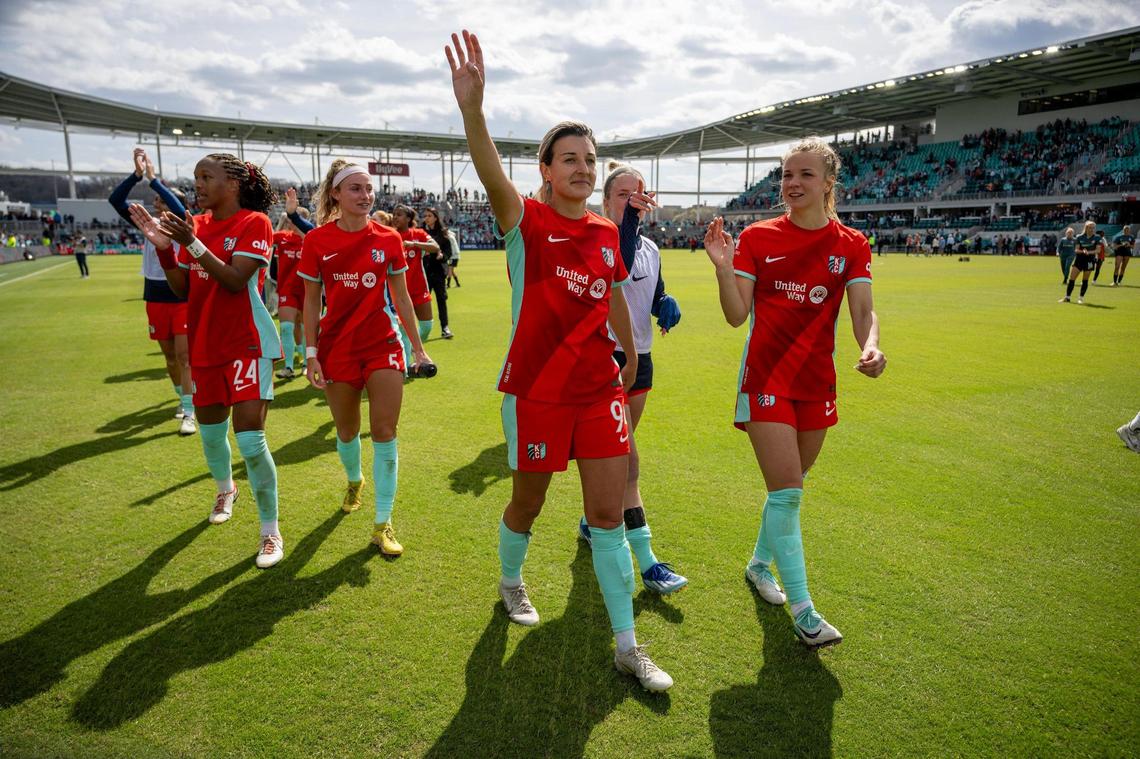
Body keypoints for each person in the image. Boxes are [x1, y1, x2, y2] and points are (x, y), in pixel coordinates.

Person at [446, 29, 672, 691]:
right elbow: (489, 170)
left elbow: (605, 300)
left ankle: (628, 644)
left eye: (589, 158)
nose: (581, 167)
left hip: (597, 387)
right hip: (536, 391)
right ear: (545, 169)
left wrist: (629, 351)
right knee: (528, 503)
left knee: (607, 515)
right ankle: (511, 580)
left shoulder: (606, 234)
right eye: (567, 158)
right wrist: (473, 112)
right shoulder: (525, 220)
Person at [704, 136, 886, 648]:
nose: (792, 184)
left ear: (829, 182)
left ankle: (760, 565)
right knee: (787, 492)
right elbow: (737, 314)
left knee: (792, 487)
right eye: (786, 174)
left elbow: (863, 312)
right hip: (765, 379)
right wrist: (723, 268)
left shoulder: (851, 244)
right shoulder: (760, 238)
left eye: (804, 175)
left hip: (815, 383)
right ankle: (805, 611)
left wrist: (872, 346)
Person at [128, 152, 285, 569]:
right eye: (196, 177)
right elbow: (182, 289)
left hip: (247, 342)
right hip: (206, 347)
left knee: (251, 440)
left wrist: (190, 243)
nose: (197, 184)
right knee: (213, 436)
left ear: (232, 184)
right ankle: (225, 488)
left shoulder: (255, 223)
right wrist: (165, 250)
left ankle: (270, 531)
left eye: (205, 176)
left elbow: (235, 281)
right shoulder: (193, 226)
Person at [298, 160, 433, 555]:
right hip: (336, 350)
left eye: (368, 188)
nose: (365, 195)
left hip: (382, 345)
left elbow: (402, 298)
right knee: (345, 432)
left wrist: (418, 348)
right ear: (336, 194)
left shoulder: (389, 238)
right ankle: (354, 479)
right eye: (355, 188)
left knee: (385, 433)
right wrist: (310, 354)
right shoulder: (317, 242)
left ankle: (382, 523)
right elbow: (310, 303)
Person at [576, 161, 685, 595]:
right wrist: (629, 222)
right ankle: (648, 561)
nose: (633, 201)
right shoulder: (596, 240)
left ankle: (590, 521)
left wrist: (665, 303)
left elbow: (650, 291)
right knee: (627, 463)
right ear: (605, 202)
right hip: (606, 359)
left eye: (639, 194)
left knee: (614, 459)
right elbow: (614, 265)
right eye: (623, 195)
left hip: (642, 358)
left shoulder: (652, 249)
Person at [109, 148, 197, 435]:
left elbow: (176, 205)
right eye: (157, 199)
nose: (158, 203)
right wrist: (136, 175)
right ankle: (182, 399)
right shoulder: (149, 223)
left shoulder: (187, 224)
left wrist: (153, 179)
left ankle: (189, 411)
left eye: (162, 199)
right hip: (155, 296)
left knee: (185, 357)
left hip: (181, 294)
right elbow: (116, 200)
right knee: (170, 358)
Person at [274, 189, 310, 379]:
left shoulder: (310, 240)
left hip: (307, 290)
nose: (291, 222)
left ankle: (305, 361)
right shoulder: (282, 238)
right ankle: (288, 367)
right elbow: (265, 237)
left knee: (304, 327)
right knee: (287, 327)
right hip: (287, 288)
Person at [391, 205, 440, 347]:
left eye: (399, 214)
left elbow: (435, 247)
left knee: (426, 326)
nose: (395, 217)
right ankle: (406, 365)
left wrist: (414, 244)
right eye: (394, 214)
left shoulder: (418, 234)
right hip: (398, 293)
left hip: (419, 289)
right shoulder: (390, 236)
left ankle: (414, 351)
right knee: (404, 331)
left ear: (408, 218)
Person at [420, 208, 454, 338]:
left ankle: (445, 327)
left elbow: (448, 253)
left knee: (441, 300)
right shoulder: (421, 233)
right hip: (423, 272)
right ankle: (420, 330)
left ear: (435, 218)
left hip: (438, 272)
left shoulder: (443, 234)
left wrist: (443, 257)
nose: (426, 218)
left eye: (429, 215)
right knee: (421, 302)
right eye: (425, 215)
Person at [1061, 220, 1099, 304]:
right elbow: (1076, 249)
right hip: (1079, 259)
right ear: (1086, 228)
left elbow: (1098, 250)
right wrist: (1082, 251)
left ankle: (1081, 298)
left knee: (1085, 280)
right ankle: (1067, 297)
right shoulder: (1079, 237)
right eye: (1090, 228)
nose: (1092, 229)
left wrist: (1088, 252)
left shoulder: (1097, 237)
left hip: (1090, 260)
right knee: (1072, 278)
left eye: (1093, 228)